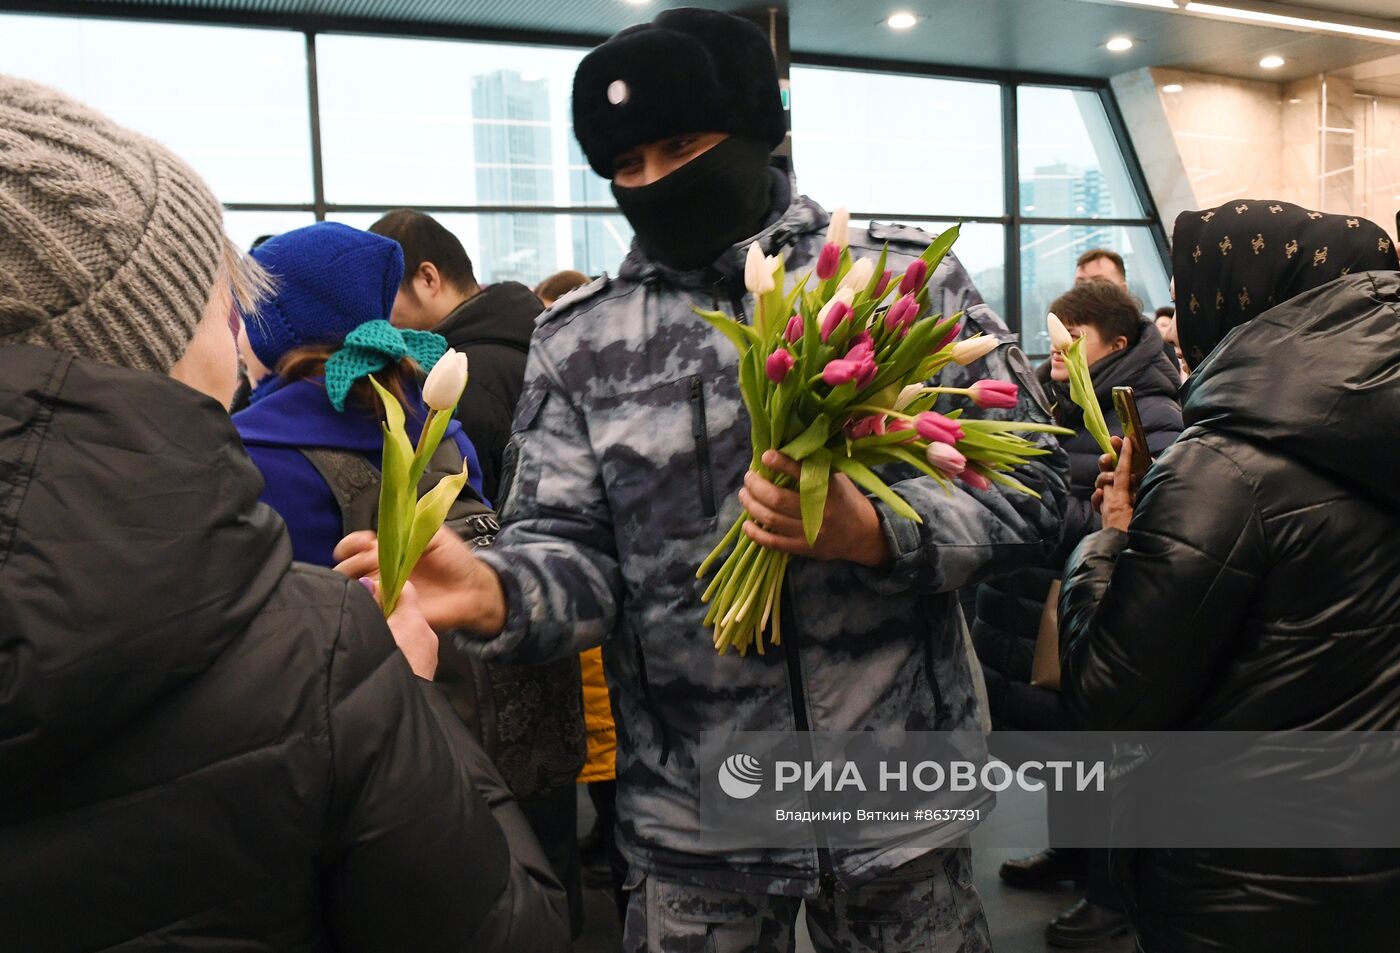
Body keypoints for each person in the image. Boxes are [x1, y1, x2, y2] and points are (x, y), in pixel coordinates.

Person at [336, 10, 1069, 951]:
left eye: (679, 146)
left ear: (759, 130)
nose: (653, 183)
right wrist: (493, 590)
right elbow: (575, 559)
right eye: (625, 167)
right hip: (695, 820)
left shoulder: (899, 284)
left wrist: (879, 528)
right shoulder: (582, 343)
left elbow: (1034, 483)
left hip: (895, 804)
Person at [0, 75, 568, 952]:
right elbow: (504, 922)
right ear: (151, 336)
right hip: (447, 776)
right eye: (214, 302)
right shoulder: (426, 429)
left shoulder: (243, 456)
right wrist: (397, 697)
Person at [1059, 200, 1400, 952]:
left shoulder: (1223, 468)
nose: (1179, 327)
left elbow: (1111, 699)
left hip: (1241, 879)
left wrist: (1112, 539)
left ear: (1242, 302)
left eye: (1193, 301)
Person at [235, 222, 591, 938]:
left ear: (272, 321)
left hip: (383, 758)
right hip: (513, 743)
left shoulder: (253, 447)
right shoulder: (441, 424)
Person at [983, 278, 1182, 948]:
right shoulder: (1061, 396)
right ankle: (1069, 854)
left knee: (1104, 751)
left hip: (1100, 600)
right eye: (1055, 340)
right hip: (1055, 593)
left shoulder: (1145, 406)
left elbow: (1135, 514)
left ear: (1116, 344)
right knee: (1066, 746)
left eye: (1074, 342)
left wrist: (1035, 509)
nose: (1058, 353)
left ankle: (1108, 892)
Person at [233, 221, 487, 565]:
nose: (238, 338)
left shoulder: (248, 456)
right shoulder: (443, 434)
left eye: (246, 318)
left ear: (272, 332)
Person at [369, 209, 542, 505]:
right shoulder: (541, 338)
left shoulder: (456, 375)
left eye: (384, 292)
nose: (377, 312)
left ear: (428, 278)